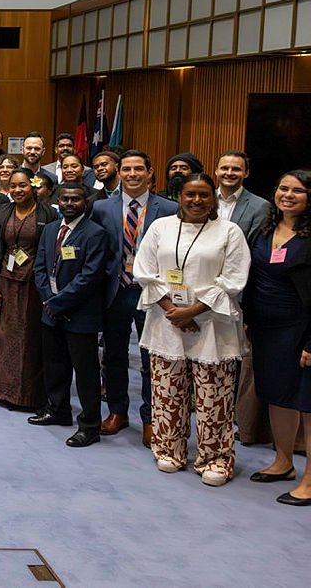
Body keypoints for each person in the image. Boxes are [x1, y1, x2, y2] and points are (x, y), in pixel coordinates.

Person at [136, 173, 248, 485]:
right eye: (190, 194)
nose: (197, 201)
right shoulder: (161, 227)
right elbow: (144, 271)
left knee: (214, 396)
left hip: (213, 325)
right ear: (179, 196)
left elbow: (234, 279)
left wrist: (193, 311)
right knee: (167, 391)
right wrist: (173, 311)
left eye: (204, 195)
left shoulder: (229, 231)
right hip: (166, 321)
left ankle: (216, 458)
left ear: (214, 198)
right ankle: (168, 449)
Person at [90, 149, 178, 444]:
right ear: (119, 171)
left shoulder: (168, 209)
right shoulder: (102, 207)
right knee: (113, 356)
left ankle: (150, 418)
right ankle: (117, 411)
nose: (131, 174)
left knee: (150, 357)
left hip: (152, 294)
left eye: (138, 169)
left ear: (150, 172)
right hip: (116, 291)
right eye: (126, 169)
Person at [243, 170, 311, 504]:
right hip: (266, 329)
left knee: (306, 402)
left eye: (297, 191)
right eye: (283, 188)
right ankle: (283, 462)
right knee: (276, 394)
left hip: (301, 330)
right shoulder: (266, 228)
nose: (288, 195)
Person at [31, 182, 111, 447]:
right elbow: (40, 266)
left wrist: (59, 302)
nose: (69, 204)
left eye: (75, 200)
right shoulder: (52, 229)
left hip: (80, 312)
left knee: (85, 372)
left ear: (85, 203)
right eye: (64, 199)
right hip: (50, 309)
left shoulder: (95, 233)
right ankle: (58, 409)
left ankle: (89, 425)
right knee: (54, 364)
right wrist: (47, 298)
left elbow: (91, 276)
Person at [0, 168, 58, 408]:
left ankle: (28, 396)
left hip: (34, 286)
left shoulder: (47, 213)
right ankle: (2, 390)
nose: (17, 190)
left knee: (31, 338)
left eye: (23, 185)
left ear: (33, 186)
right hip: (5, 283)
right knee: (4, 337)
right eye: (13, 186)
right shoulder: (2, 211)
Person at [214, 150, 269, 243]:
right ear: (216, 171)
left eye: (236, 169)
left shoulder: (260, 206)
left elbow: (254, 244)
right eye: (224, 168)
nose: (229, 173)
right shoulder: (203, 200)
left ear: (246, 173)